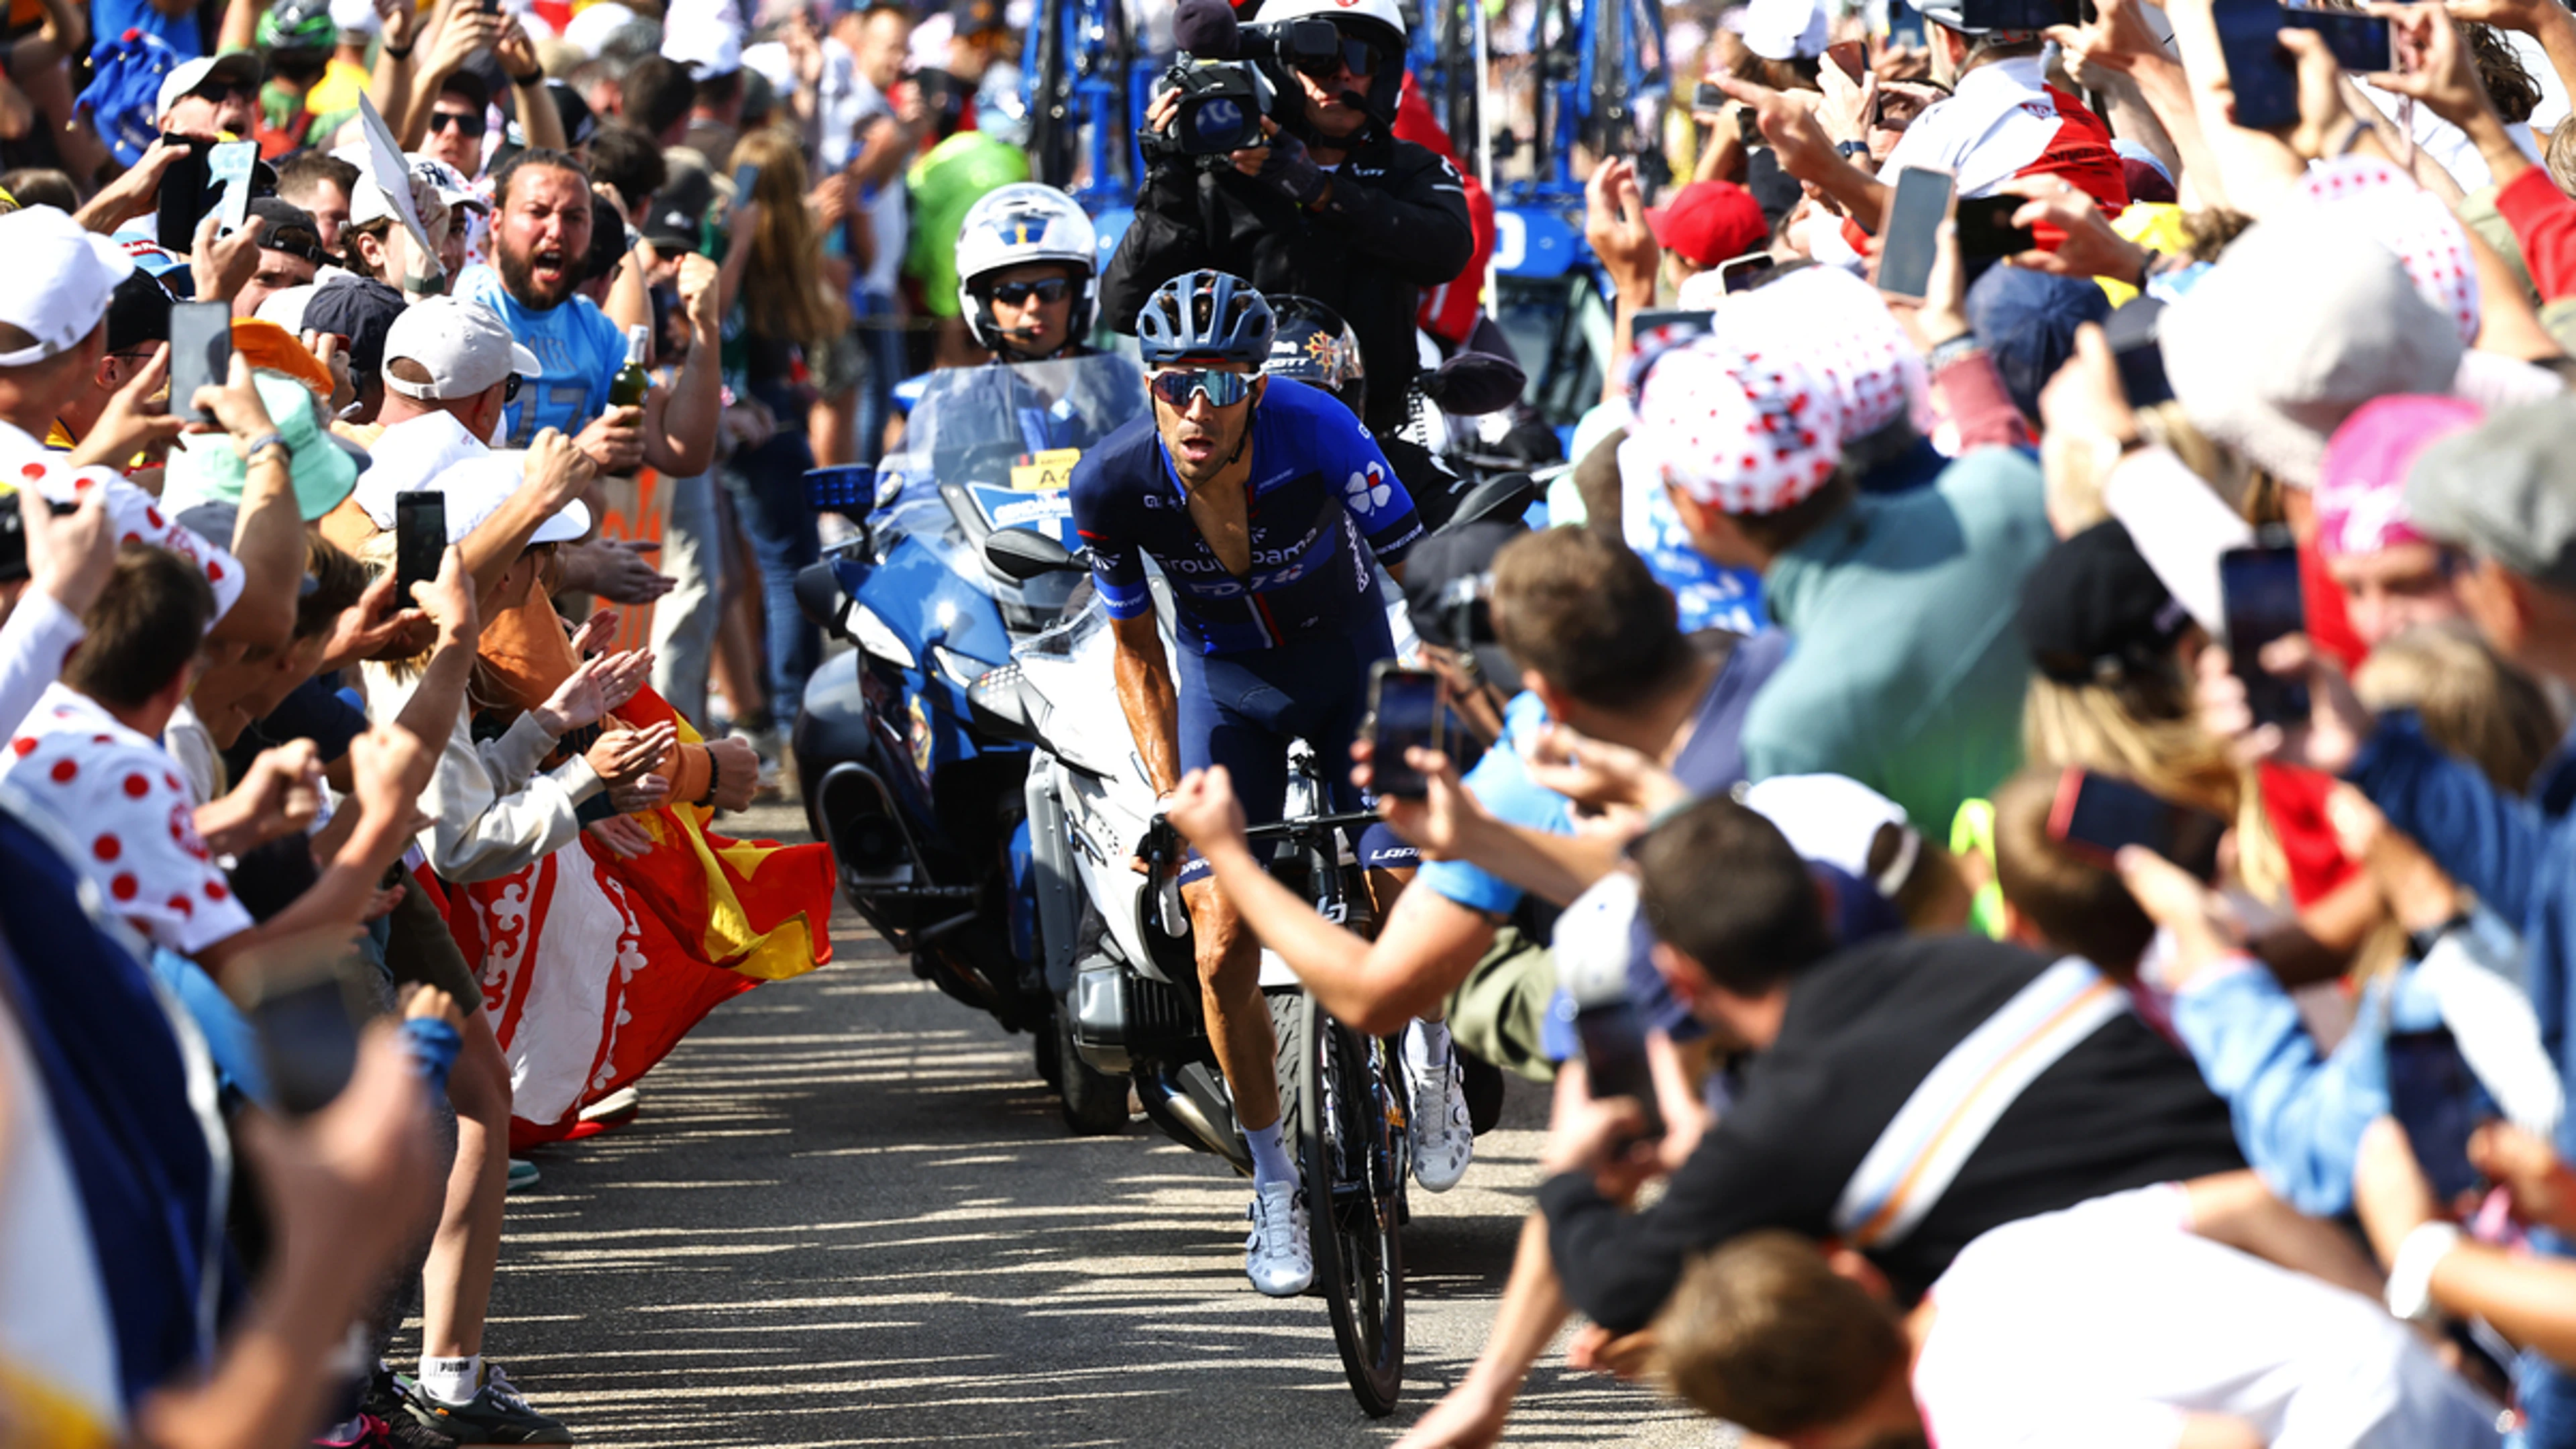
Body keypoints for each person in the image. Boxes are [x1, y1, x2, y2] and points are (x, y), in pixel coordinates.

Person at [1539, 793, 2246, 1334]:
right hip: (2283, 1254)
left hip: (2156, 1344)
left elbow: (1622, 1288)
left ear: (1682, 981)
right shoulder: (1990, 958)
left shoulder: (1778, 1125)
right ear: (1820, 899)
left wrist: (1570, 1179)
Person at [1069, 270, 1423, 1297]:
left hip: (1356, 668)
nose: (1195, 408)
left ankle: (1434, 1051)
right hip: (1231, 696)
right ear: (1149, 385)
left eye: (1220, 387)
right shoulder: (1111, 483)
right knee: (1219, 932)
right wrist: (1174, 795)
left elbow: (1420, 582)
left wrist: (1454, 707)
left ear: (1255, 392)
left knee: (1406, 878)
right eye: (1175, 383)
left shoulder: (1316, 430)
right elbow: (1135, 656)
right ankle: (1272, 1180)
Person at [1652, 1203, 2501, 1447]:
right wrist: (2422, 1338)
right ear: (1852, 1275)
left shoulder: (1980, 1420)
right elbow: (2254, 1204)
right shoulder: (1988, 1260)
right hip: (2408, 1376)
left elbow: (2224, 1447)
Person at [1101, 0, 1474, 435]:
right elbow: (1126, 309)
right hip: (1238, 443)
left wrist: (1318, 190)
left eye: (1361, 57)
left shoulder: (1413, 168)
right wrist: (1168, 181)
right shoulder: (1217, 180)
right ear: (1279, 70)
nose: (1341, 74)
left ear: (1385, 73)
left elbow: (1446, 251)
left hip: (1377, 437)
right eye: (1318, 59)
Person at [454, 148, 721, 480]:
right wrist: (578, 457)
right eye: (537, 212)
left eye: (574, 218)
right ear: (496, 224)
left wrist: (706, 330)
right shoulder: (460, 311)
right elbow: (450, 473)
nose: (556, 230)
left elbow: (680, 452)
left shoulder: (594, 329)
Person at [955, 180, 1096, 363]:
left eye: (1051, 290)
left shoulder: (1128, 383)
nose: (1033, 307)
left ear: (1079, 297)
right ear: (984, 308)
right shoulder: (966, 392)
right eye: (1011, 293)